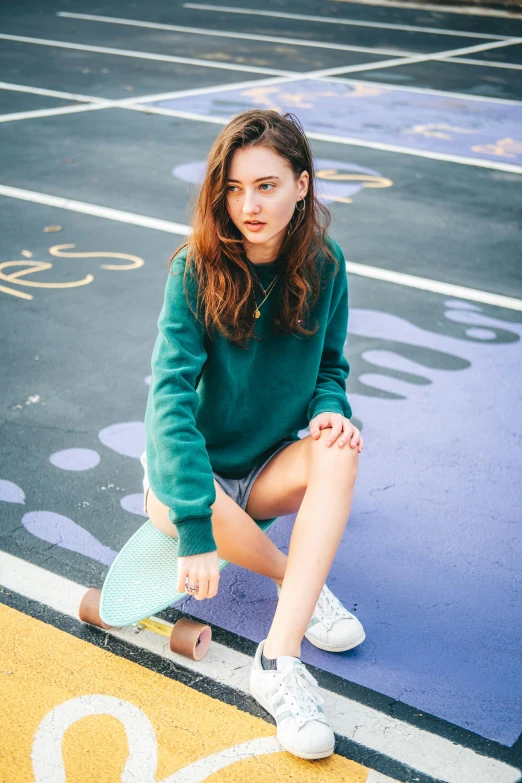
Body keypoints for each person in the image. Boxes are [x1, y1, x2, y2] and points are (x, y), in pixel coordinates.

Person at [140, 109, 365, 761]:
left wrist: (331, 408)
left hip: (266, 471)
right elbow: (169, 397)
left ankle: (276, 654)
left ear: (301, 184)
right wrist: (192, 524)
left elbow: (330, 366)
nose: (248, 205)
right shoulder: (195, 268)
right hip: (197, 474)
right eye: (233, 189)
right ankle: (301, 585)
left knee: (340, 447)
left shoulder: (325, 265)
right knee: (172, 498)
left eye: (266, 185)